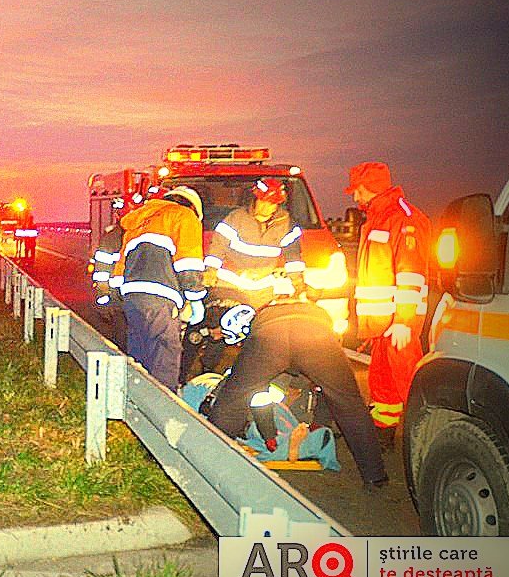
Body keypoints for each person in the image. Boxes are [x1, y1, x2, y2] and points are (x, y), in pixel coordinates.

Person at [206, 300, 388, 488]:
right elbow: (329, 393)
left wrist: (268, 433)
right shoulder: (312, 314)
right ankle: (375, 475)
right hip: (316, 334)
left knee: (232, 402)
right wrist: (319, 423)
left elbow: (255, 396)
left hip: (270, 336)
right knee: (349, 403)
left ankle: (207, 460)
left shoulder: (258, 326)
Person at [344, 162, 432, 435]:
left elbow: (411, 273)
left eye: (357, 191)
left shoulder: (403, 218)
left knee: (408, 381)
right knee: (383, 383)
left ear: (368, 188)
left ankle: (429, 435)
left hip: (398, 323)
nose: (355, 198)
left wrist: (404, 321)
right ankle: (383, 432)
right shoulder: (378, 217)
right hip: (384, 322)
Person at [110, 186, 206, 387]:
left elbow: (120, 268)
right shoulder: (184, 216)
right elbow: (188, 264)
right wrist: (195, 299)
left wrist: (122, 296)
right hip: (161, 298)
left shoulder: (140, 222)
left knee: (139, 354)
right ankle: (164, 412)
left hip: (132, 298)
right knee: (165, 354)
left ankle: (136, 402)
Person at [204, 177, 306, 308]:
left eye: (271, 203)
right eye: (262, 201)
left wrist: (298, 284)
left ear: (277, 205)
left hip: (263, 289)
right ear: (255, 199)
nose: (265, 206)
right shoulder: (235, 219)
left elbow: (293, 258)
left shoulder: (286, 226)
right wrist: (210, 271)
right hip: (230, 287)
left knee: (261, 323)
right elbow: (217, 247)